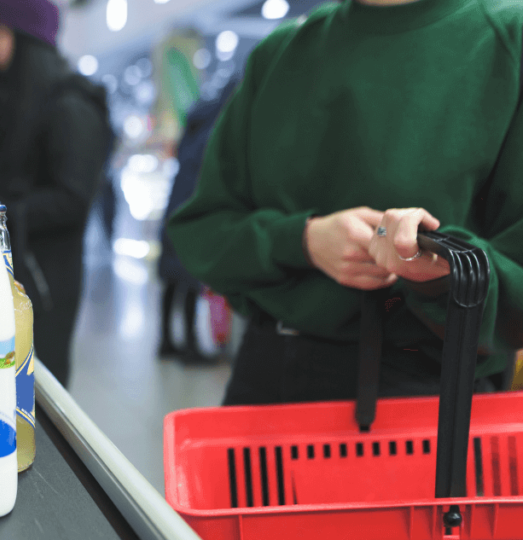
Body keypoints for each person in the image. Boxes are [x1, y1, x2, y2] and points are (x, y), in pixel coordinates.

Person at [167, 0, 523, 406]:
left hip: (424, 394)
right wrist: (302, 240)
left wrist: (440, 266)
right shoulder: (280, 52)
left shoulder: (507, 39)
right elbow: (200, 232)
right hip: (265, 378)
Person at [0, 0, 113, 386]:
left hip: (45, 284)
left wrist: (0, 211)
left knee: (38, 391)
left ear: (25, 40)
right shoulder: (12, 102)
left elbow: (72, 200)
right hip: (10, 275)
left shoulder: (70, 104)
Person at [158, 74, 241, 362]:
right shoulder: (220, 124)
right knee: (188, 278)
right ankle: (191, 346)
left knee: (172, 278)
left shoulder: (199, 118)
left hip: (175, 205)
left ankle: (167, 341)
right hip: (193, 207)